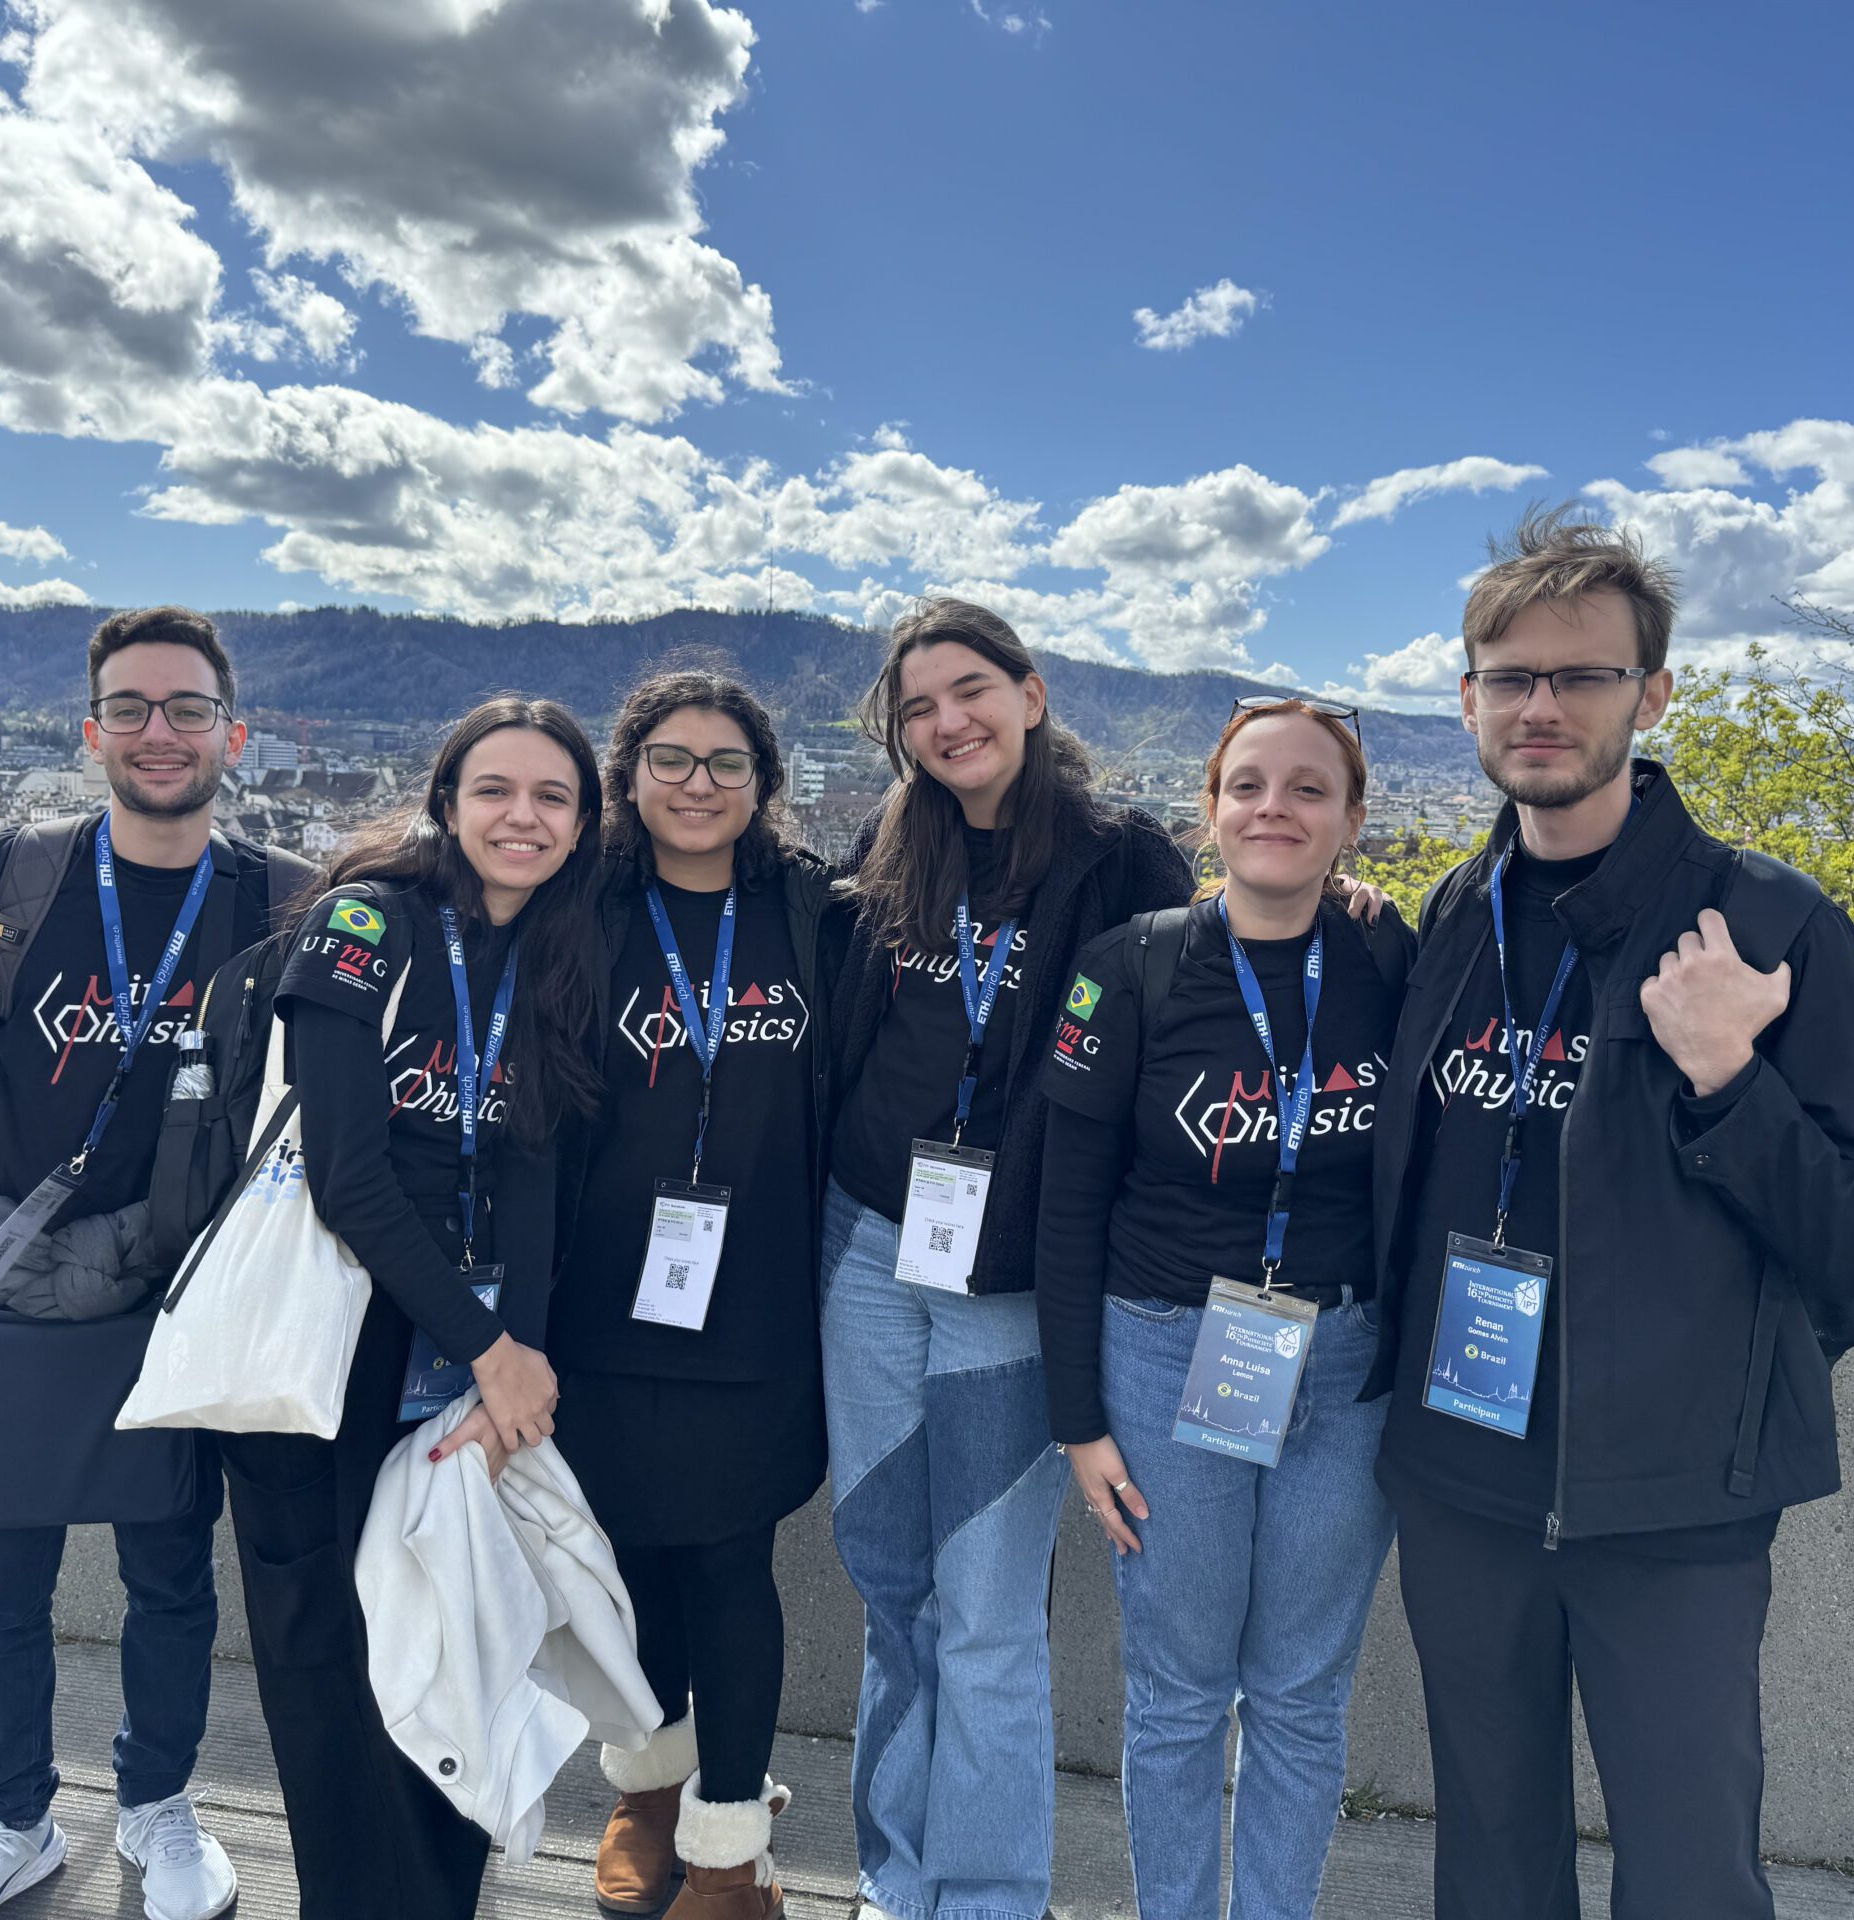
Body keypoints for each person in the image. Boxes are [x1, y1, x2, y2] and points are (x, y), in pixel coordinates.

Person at [1365, 509, 1854, 1917]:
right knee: (1489, 1864)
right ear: (1471, 694)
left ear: (1653, 695)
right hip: (1460, 1475)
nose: (1540, 706)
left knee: (1689, 1877)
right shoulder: (1451, 914)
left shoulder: (1771, 926)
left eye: (1582, 676)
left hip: (1672, 1503)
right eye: (1509, 676)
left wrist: (1730, 1079)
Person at [0, 607, 293, 1920]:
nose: (162, 733)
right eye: (135, 709)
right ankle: (8, 1820)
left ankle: (157, 1805)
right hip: (2, 1266)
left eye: (189, 709)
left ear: (232, 734)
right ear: (91, 730)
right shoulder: (6, 878)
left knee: (168, 1564)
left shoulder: (282, 899)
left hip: (179, 1279)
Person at [819, 598, 1192, 1920]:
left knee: (984, 1608)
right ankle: (894, 1875)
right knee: (891, 1587)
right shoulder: (895, 839)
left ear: (1031, 695)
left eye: (969, 690)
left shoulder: (1122, 859)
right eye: (917, 707)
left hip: (1018, 1273)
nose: (946, 723)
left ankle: (983, 1898)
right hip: (866, 1241)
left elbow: (1196, 1005)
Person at [217, 695, 605, 1919]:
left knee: (453, 1643)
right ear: (445, 801)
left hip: (462, 1362)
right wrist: (491, 1347)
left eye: (553, 796)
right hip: (332, 1347)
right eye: (495, 789)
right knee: (330, 1669)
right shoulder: (361, 925)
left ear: (584, 822)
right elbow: (347, 1177)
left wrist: (515, 1366)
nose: (522, 816)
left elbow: (537, 1170)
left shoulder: (553, 949)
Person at [1036, 696, 1412, 1920]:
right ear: (1210, 810)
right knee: (1182, 1693)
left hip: (1345, 1365)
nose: (1275, 809)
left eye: (1309, 789)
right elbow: (1066, 1205)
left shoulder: (1388, 960)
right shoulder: (1133, 966)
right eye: (1248, 785)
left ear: (1353, 822)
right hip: (1160, 1356)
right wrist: (1076, 1420)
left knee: (1303, 1694)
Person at [555, 669, 842, 1920]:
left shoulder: (817, 915)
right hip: (599, 1297)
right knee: (628, 1562)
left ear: (765, 788)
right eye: (671, 759)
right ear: (627, 777)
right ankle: (650, 1789)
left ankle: (730, 1851)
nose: (698, 785)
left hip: (763, 1297)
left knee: (729, 1560)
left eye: (728, 764)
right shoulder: (582, 910)